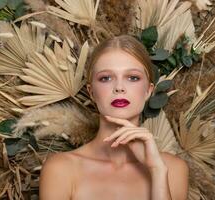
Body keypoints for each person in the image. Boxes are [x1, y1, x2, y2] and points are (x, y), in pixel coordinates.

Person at [39, 35, 189, 200]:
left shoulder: (172, 169)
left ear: (148, 90)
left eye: (133, 78)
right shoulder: (61, 169)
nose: (119, 88)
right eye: (106, 78)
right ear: (91, 92)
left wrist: (157, 171)